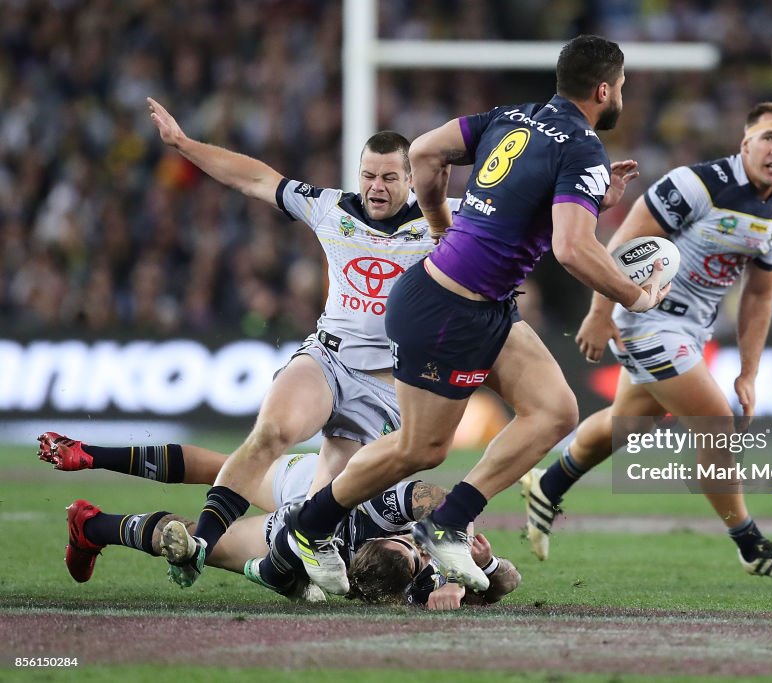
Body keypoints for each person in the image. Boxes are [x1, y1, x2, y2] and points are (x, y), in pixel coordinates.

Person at [266, 34, 668, 595]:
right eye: (622, 86)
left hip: (484, 304)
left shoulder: (515, 117)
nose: (621, 94)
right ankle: (306, 530)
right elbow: (573, 249)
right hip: (446, 311)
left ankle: (447, 522)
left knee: (554, 412)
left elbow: (426, 151)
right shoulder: (582, 148)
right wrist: (637, 296)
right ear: (605, 89)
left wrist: (438, 220)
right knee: (420, 449)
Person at [145, 98, 459, 594]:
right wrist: (184, 145)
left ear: (412, 181)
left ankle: (284, 569)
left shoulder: (445, 222)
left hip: (387, 387)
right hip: (329, 358)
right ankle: (202, 542)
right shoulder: (331, 207)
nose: (376, 187)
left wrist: (592, 199)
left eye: (389, 178)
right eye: (368, 175)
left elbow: (522, 216)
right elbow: (254, 178)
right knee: (271, 433)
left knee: (327, 515)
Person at [521, 102, 772, 581]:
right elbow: (624, 243)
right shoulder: (696, 184)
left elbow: (759, 295)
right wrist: (599, 311)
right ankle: (749, 544)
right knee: (716, 421)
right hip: (645, 318)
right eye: (769, 137)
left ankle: (546, 485)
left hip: (691, 332)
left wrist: (749, 370)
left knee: (628, 424)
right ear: (745, 144)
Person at [40, 434, 519, 609]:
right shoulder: (391, 518)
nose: (419, 547)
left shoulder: (397, 584)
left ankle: (91, 525)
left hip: (294, 530)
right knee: (221, 471)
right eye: (415, 547)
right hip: (321, 488)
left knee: (190, 542)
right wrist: (474, 568)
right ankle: (94, 463)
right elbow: (434, 497)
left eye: (415, 552)